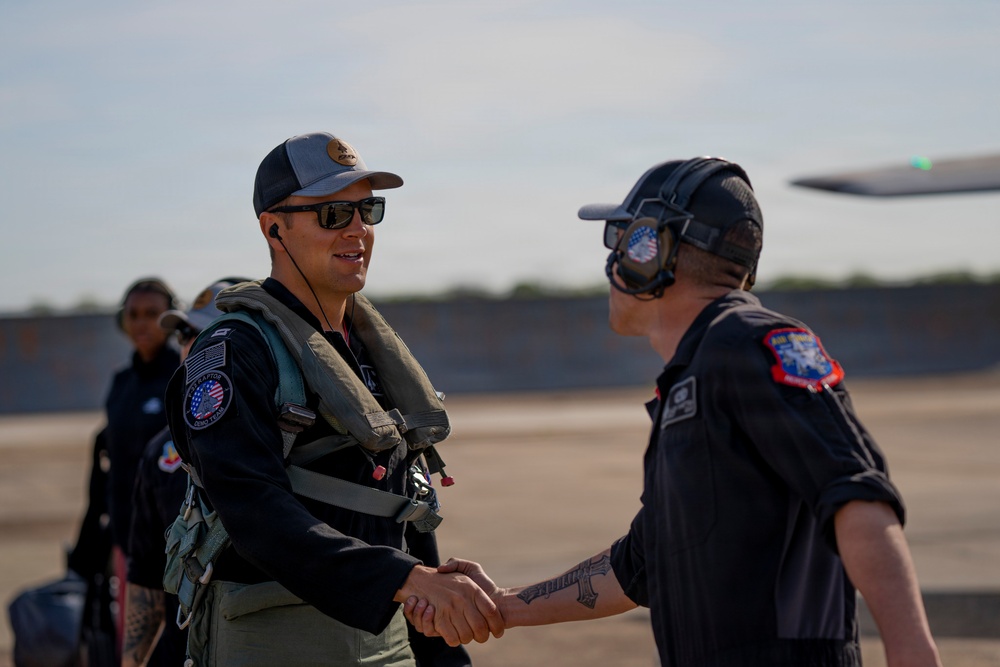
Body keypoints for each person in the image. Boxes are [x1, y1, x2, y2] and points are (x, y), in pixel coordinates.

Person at [405, 158, 942, 667]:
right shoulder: (699, 374)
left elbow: (857, 498)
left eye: (622, 239)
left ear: (651, 251)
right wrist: (500, 604)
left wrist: (914, 655)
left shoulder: (752, 345)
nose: (613, 261)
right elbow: (640, 564)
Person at [163, 131, 502, 666]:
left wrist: (439, 637)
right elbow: (254, 511)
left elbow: (403, 503)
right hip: (273, 636)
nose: (358, 230)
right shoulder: (235, 352)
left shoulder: (366, 347)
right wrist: (404, 578)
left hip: (385, 635)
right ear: (273, 228)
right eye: (332, 214)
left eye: (368, 210)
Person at [122, 278, 247, 667]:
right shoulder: (162, 450)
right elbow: (144, 578)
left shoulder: (297, 443)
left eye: (201, 332)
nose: (186, 343)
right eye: (182, 332)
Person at [69, 277, 181, 662]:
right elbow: (107, 468)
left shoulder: (182, 378)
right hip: (125, 541)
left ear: (170, 319)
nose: (142, 323)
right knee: (130, 648)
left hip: (175, 542)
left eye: (152, 314)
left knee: (177, 645)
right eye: (133, 314)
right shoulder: (121, 383)